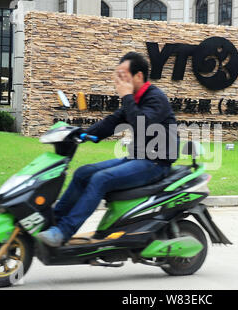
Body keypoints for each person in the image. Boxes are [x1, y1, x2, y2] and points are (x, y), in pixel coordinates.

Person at [37, 52, 178, 247]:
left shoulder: (155, 98)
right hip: (136, 158)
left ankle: (64, 231)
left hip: (155, 163)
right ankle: (53, 221)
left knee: (100, 179)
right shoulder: (135, 99)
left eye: (123, 75)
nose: (118, 80)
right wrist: (82, 135)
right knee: (82, 173)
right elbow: (113, 121)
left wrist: (127, 96)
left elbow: (141, 124)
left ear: (138, 76)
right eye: (117, 75)